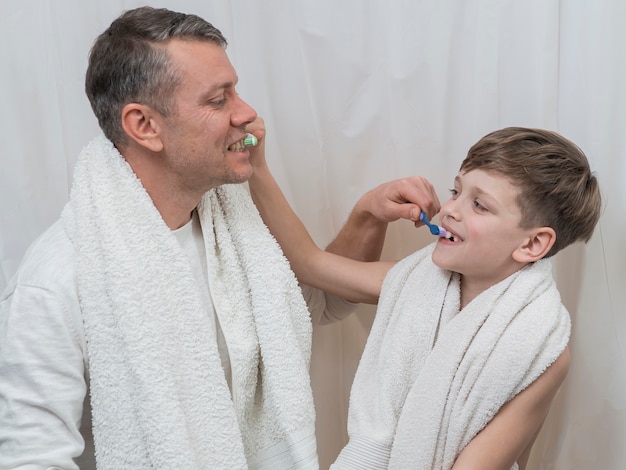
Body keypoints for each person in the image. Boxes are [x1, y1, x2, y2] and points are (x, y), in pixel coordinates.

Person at [0, 6, 442, 469]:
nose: (247, 113)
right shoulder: (57, 282)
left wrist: (366, 218)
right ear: (144, 126)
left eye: (237, 91)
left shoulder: (231, 228)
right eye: (219, 99)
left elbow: (314, 305)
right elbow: (30, 459)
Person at [248, 123, 602, 469]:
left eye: (480, 205)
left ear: (532, 244)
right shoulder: (414, 283)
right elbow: (309, 264)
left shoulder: (538, 348)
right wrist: (256, 169)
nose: (449, 210)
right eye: (456, 191)